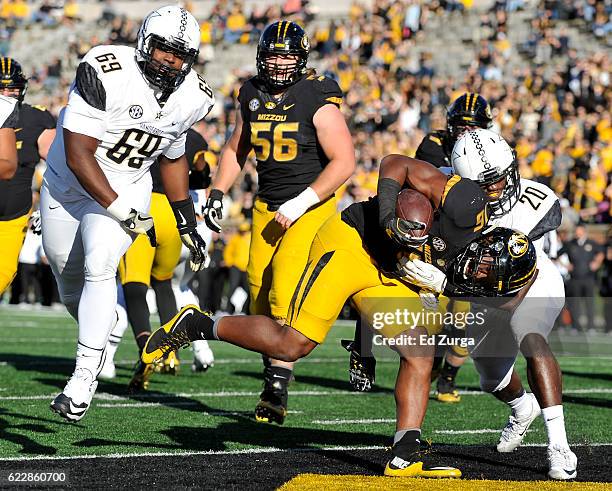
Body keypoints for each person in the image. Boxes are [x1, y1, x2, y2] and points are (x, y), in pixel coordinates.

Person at [144, 154, 493, 478]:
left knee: (419, 351)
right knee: (291, 345)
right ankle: (198, 324)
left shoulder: (478, 224)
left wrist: (444, 284)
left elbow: (471, 290)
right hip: (350, 245)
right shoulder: (452, 195)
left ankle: (404, 454)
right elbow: (394, 162)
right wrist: (388, 215)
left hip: (391, 272)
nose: (498, 191)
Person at [40, 5, 214, 422]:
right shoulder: (105, 69)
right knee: (69, 284)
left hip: (130, 183)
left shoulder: (194, 96)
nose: (170, 60)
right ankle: (106, 321)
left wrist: (186, 218)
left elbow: (173, 158)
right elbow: (81, 154)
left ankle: (83, 379)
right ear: (144, 43)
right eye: (163, 49)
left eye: (180, 54)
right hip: (69, 185)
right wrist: (122, 210)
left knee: (101, 263)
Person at [202, 20, 355, 425]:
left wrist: (303, 200)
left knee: (284, 292)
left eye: (287, 55)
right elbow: (237, 146)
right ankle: (271, 374)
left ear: (301, 58)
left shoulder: (317, 96)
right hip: (268, 206)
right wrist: (218, 191)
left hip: (310, 205)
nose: (279, 63)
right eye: (273, 54)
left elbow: (345, 162)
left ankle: (277, 386)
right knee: (258, 292)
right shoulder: (251, 92)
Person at [345, 93, 495, 401]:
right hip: (426, 226)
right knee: (385, 271)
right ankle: (363, 345)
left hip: (461, 235)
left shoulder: (490, 150)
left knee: (461, 308)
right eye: (460, 126)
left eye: (473, 127)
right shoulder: (433, 145)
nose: (465, 133)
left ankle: (445, 376)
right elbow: (422, 189)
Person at [450, 129, 577, 480]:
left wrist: (450, 289)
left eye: (501, 178)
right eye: (484, 184)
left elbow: (516, 292)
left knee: (530, 336)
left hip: (533, 278)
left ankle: (559, 446)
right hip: (481, 291)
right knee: (492, 380)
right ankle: (523, 409)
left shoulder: (536, 202)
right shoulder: (446, 195)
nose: (496, 188)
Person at [98, 128, 211, 391]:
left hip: (142, 209)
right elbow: (202, 176)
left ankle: (146, 349)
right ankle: (171, 353)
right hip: (173, 215)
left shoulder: (137, 124)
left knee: (134, 288)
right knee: (163, 283)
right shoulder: (194, 137)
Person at [0, 58, 50, 295]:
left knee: (4, 274)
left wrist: (50, 206)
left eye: (12, 89)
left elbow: (60, 166)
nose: (7, 94)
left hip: (13, 216)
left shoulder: (35, 118)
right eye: (1, 89)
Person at [558, 223, 604, 332]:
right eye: (576, 231)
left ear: (584, 231)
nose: (577, 233)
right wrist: (566, 266)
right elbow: (557, 255)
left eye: (579, 231)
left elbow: (602, 253)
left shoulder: (591, 243)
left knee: (589, 303)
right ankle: (576, 327)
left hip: (589, 278)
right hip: (575, 279)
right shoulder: (570, 244)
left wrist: (597, 263)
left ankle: (591, 327)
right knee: (574, 304)